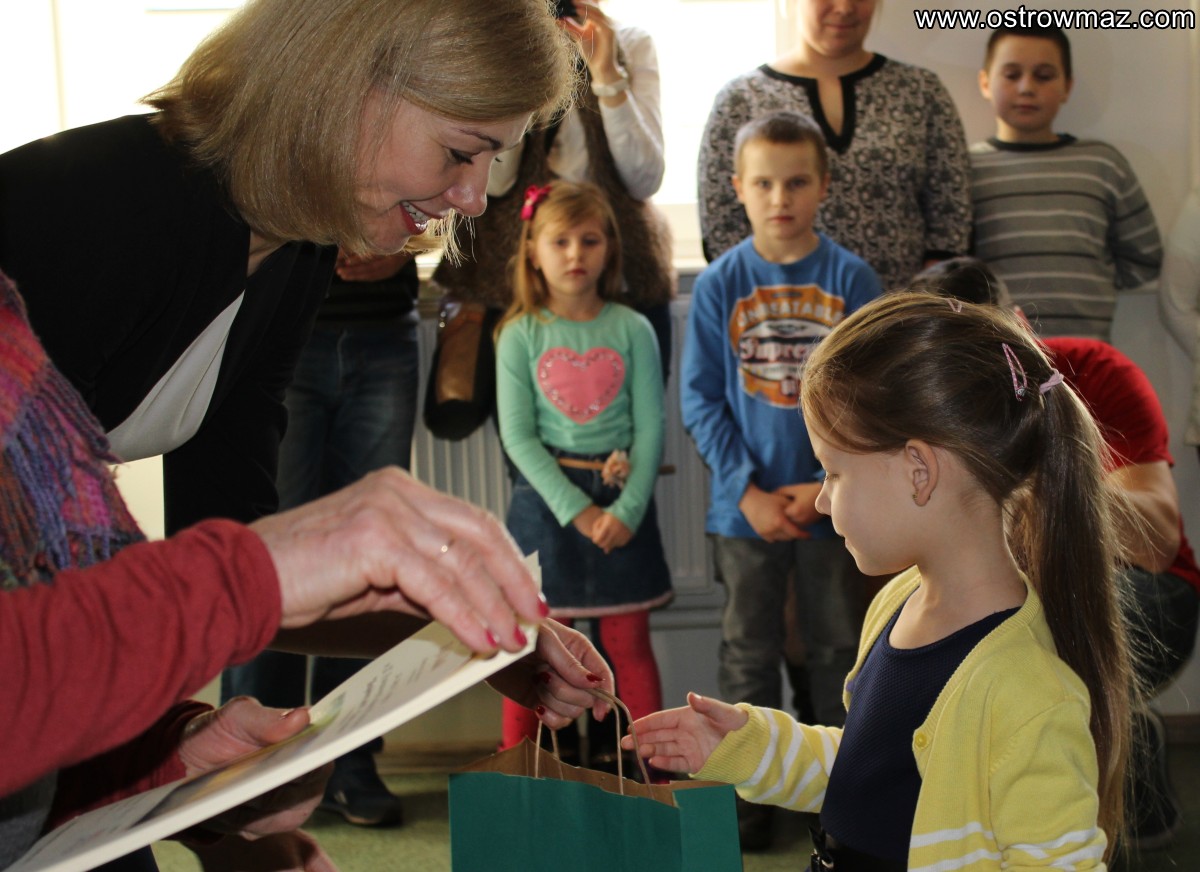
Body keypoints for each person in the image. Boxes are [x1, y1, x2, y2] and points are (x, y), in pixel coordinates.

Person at [0, 265, 618, 870]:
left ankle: (351, 769)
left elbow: (66, 657)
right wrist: (249, 575)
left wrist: (176, 767)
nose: (471, 209)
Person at [630, 290, 1137, 869]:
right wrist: (751, 747)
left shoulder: (1030, 696)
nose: (821, 500)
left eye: (833, 472)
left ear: (919, 471)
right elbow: (866, 773)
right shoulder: (897, 603)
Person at [911, 256, 1200, 851]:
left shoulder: (1098, 370)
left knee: (1037, 624)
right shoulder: (919, 407)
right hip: (1008, 593)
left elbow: (1158, 541)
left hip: (1145, 591)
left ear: (1019, 328)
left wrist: (1036, 473)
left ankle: (1111, 753)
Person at [680, 111, 881, 849]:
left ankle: (841, 802)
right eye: (763, 183)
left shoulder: (852, 279)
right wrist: (748, 491)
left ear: (823, 185)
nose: (780, 197)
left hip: (838, 508)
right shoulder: (719, 284)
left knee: (838, 651)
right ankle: (747, 806)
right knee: (747, 652)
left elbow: (871, 397)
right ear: (738, 187)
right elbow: (701, 399)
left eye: (797, 182)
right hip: (744, 513)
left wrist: (826, 486)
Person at [221, 249, 421, 829]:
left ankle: (348, 762)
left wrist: (411, 245)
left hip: (386, 333)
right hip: (282, 329)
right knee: (271, 556)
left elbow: (473, 214)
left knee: (371, 559)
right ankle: (256, 762)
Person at [494, 182, 672, 760]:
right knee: (534, 648)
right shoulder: (518, 334)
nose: (575, 254)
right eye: (561, 241)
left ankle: (650, 770)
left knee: (628, 642)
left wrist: (626, 510)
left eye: (589, 240)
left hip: (621, 500)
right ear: (533, 252)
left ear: (609, 248)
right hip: (546, 500)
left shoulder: (633, 328)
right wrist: (580, 511)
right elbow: (518, 437)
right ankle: (520, 774)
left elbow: (650, 428)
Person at [431, 0, 675, 381]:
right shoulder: (500, 46)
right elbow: (495, 182)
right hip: (513, 284)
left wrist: (607, 74)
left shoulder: (630, 44)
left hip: (621, 276)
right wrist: (517, 62)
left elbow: (644, 179)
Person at [697, 0, 971, 291]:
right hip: (777, 309)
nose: (844, 7)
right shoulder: (741, 99)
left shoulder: (921, 91)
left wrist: (924, 303)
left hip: (902, 308)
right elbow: (721, 225)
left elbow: (951, 212)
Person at [970, 24, 1163, 342]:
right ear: (985, 82)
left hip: (1087, 353)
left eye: (1044, 76)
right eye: (1012, 74)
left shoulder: (1102, 164)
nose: (1026, 87)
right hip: (998, 355)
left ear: (1067, 86)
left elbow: (1145, 256)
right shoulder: (965, 169)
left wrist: (1090, 284)